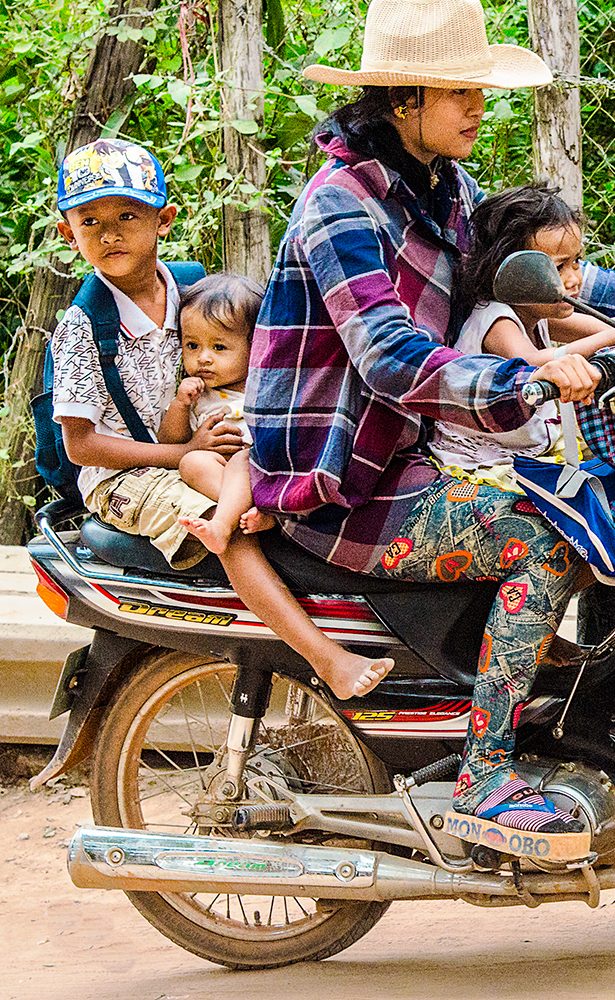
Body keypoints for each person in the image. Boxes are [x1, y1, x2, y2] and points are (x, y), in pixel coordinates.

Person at [241, 0, 615, 856]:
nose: (478, 105)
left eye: (480, 88)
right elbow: (390, 357)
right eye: (458, 90)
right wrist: (529, 374)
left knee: (596, 507)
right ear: (403, 101)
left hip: (415, 453)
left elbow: (538, 270)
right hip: (345, 479)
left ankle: (538, 698)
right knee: (541, 538)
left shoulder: (443, 188)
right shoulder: (340, 205)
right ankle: (486, 778)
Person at [47, 142, 391, 702]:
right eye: (91, 222)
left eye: (126, 216)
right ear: (69, 233)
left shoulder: (189, 288)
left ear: (163, 219)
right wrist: (183, 453)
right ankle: (327, 659)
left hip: (203, 442)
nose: (110, 235)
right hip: (125, 478)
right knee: (226, 532)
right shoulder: (84, 326)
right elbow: (82, 446)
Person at [429, 183, 615, 488]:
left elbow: (606, 329)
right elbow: (533, 361)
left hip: (531, 450)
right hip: (487, 463)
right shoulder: (495, 318)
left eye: (576, 262)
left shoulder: (538, 312)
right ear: (511, 276)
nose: (574, 279)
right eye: (558, 268)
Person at [162, 274, 276, 550]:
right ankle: (251, 513)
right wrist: (180, 405)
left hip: (269, 474)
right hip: (226, 475)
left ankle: (224, 524)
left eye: (219, 347)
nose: (203, 357)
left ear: (254, 346)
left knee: (242, 460)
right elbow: (170, 442)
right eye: (192, 345)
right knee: (191, 463)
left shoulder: (265, 387)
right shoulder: (198, 395)